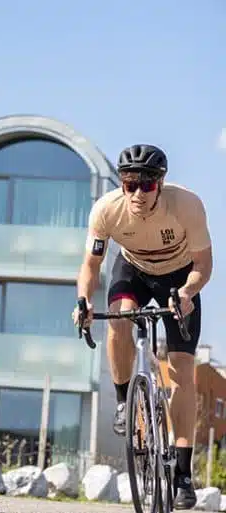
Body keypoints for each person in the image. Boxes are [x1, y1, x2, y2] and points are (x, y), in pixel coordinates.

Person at [72, 143, 212, 509]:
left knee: (182, 370)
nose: (136, 193)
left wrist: (187, 293)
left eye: (145, 185)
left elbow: (204, 264)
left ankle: (182, 475)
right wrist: (84, 301)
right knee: (118, 317)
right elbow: (91, 265)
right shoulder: (107, 210)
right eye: (128, 183)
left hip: (179, 278)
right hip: (132, 271)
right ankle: (124, 401)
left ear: (160, 184)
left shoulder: (187, 205)